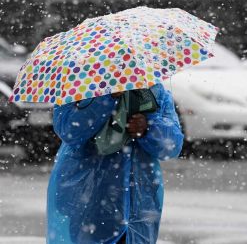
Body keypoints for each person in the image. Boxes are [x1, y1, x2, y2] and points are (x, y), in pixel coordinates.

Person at [47, 83, 184, 244]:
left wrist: (148, 128)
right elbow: (69, 131)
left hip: (139, 201)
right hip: (88, 196)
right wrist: (106, 98)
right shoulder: (78, 87)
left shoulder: (154, 92)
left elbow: (172, 146)